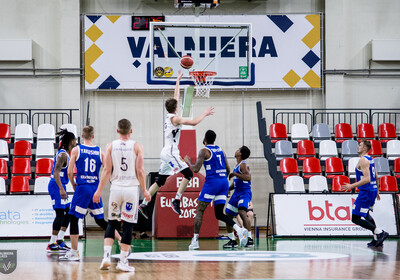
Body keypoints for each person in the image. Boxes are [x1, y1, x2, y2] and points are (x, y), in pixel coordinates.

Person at [139, 71, 214, 218]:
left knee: (160, 180)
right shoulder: (176, 119)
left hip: (166, 151)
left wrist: (177, 80)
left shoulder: (169, 115)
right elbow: (194, 122)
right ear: (176, 108)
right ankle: (176, 201)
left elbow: (175, 96)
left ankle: (143, 204)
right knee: (188, 173)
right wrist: (204, 113)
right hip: (171, 152)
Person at [93, 119, 151, 272]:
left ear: (117, 131)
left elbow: (106, 171)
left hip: (115, 189)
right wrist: (145, 190)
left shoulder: (110, 146)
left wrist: (99, 191)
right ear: (131, 131)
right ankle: (123, 262)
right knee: (128, 225)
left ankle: (106, 257)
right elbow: (140, 171)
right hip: (131, 189)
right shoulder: (137, 146)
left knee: (112, 223)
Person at [60, 126, 122, 261]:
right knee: (100, 221)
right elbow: (108, 170)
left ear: (82, 135)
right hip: (95, 187)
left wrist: (74, 185)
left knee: (74, 218)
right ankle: (122, 241)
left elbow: (70, 172)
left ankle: (74, 252)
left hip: (82, 188)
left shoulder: (77, 150)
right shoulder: (101, 152)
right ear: (93, 136)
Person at [184, 130, 248, 250]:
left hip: (212, 183)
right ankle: (239, 230)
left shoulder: (204, 151)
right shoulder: (221, 150)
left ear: (205, 139)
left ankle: (195, 240)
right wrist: (225, 186)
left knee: (200, 210)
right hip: (223, 182)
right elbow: (228, 169)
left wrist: (188, 161)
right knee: (219, 214)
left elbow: (196, 169)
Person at [342, 140, 389, 247]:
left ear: (364, 148)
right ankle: (377, 239)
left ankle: (380, 232)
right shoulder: (370, 159)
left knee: (355, 218)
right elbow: (376, 176)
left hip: (366, 192)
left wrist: (351, 186)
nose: (358, 147)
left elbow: (367, 178)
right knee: (366, 214)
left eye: (360, 145)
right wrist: (377, 190)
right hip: (371, 191)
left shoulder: (363, 160)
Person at [46, 129, 76, 253]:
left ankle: (60, 240)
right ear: (70, 141)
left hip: (61, 185)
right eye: (74, 139)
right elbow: (56, 172)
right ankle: (51, 243)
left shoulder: (67, 154)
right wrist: (61, 189)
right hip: (56, 185)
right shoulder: (62, 154)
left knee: (68, 212)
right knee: (59, 213)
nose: (76, 142)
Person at [224, 146, 253, 248]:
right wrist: (227, 188)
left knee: (241, 212)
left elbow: (248, 177)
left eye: (238, 149)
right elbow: (236, 183)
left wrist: (235, 174)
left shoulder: (243, 164)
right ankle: (232, 240)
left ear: (240, 153)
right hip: (237, 193)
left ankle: (250, 239)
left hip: (244, 193)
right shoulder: (237, 165)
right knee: (228, 215)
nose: (236, 150)